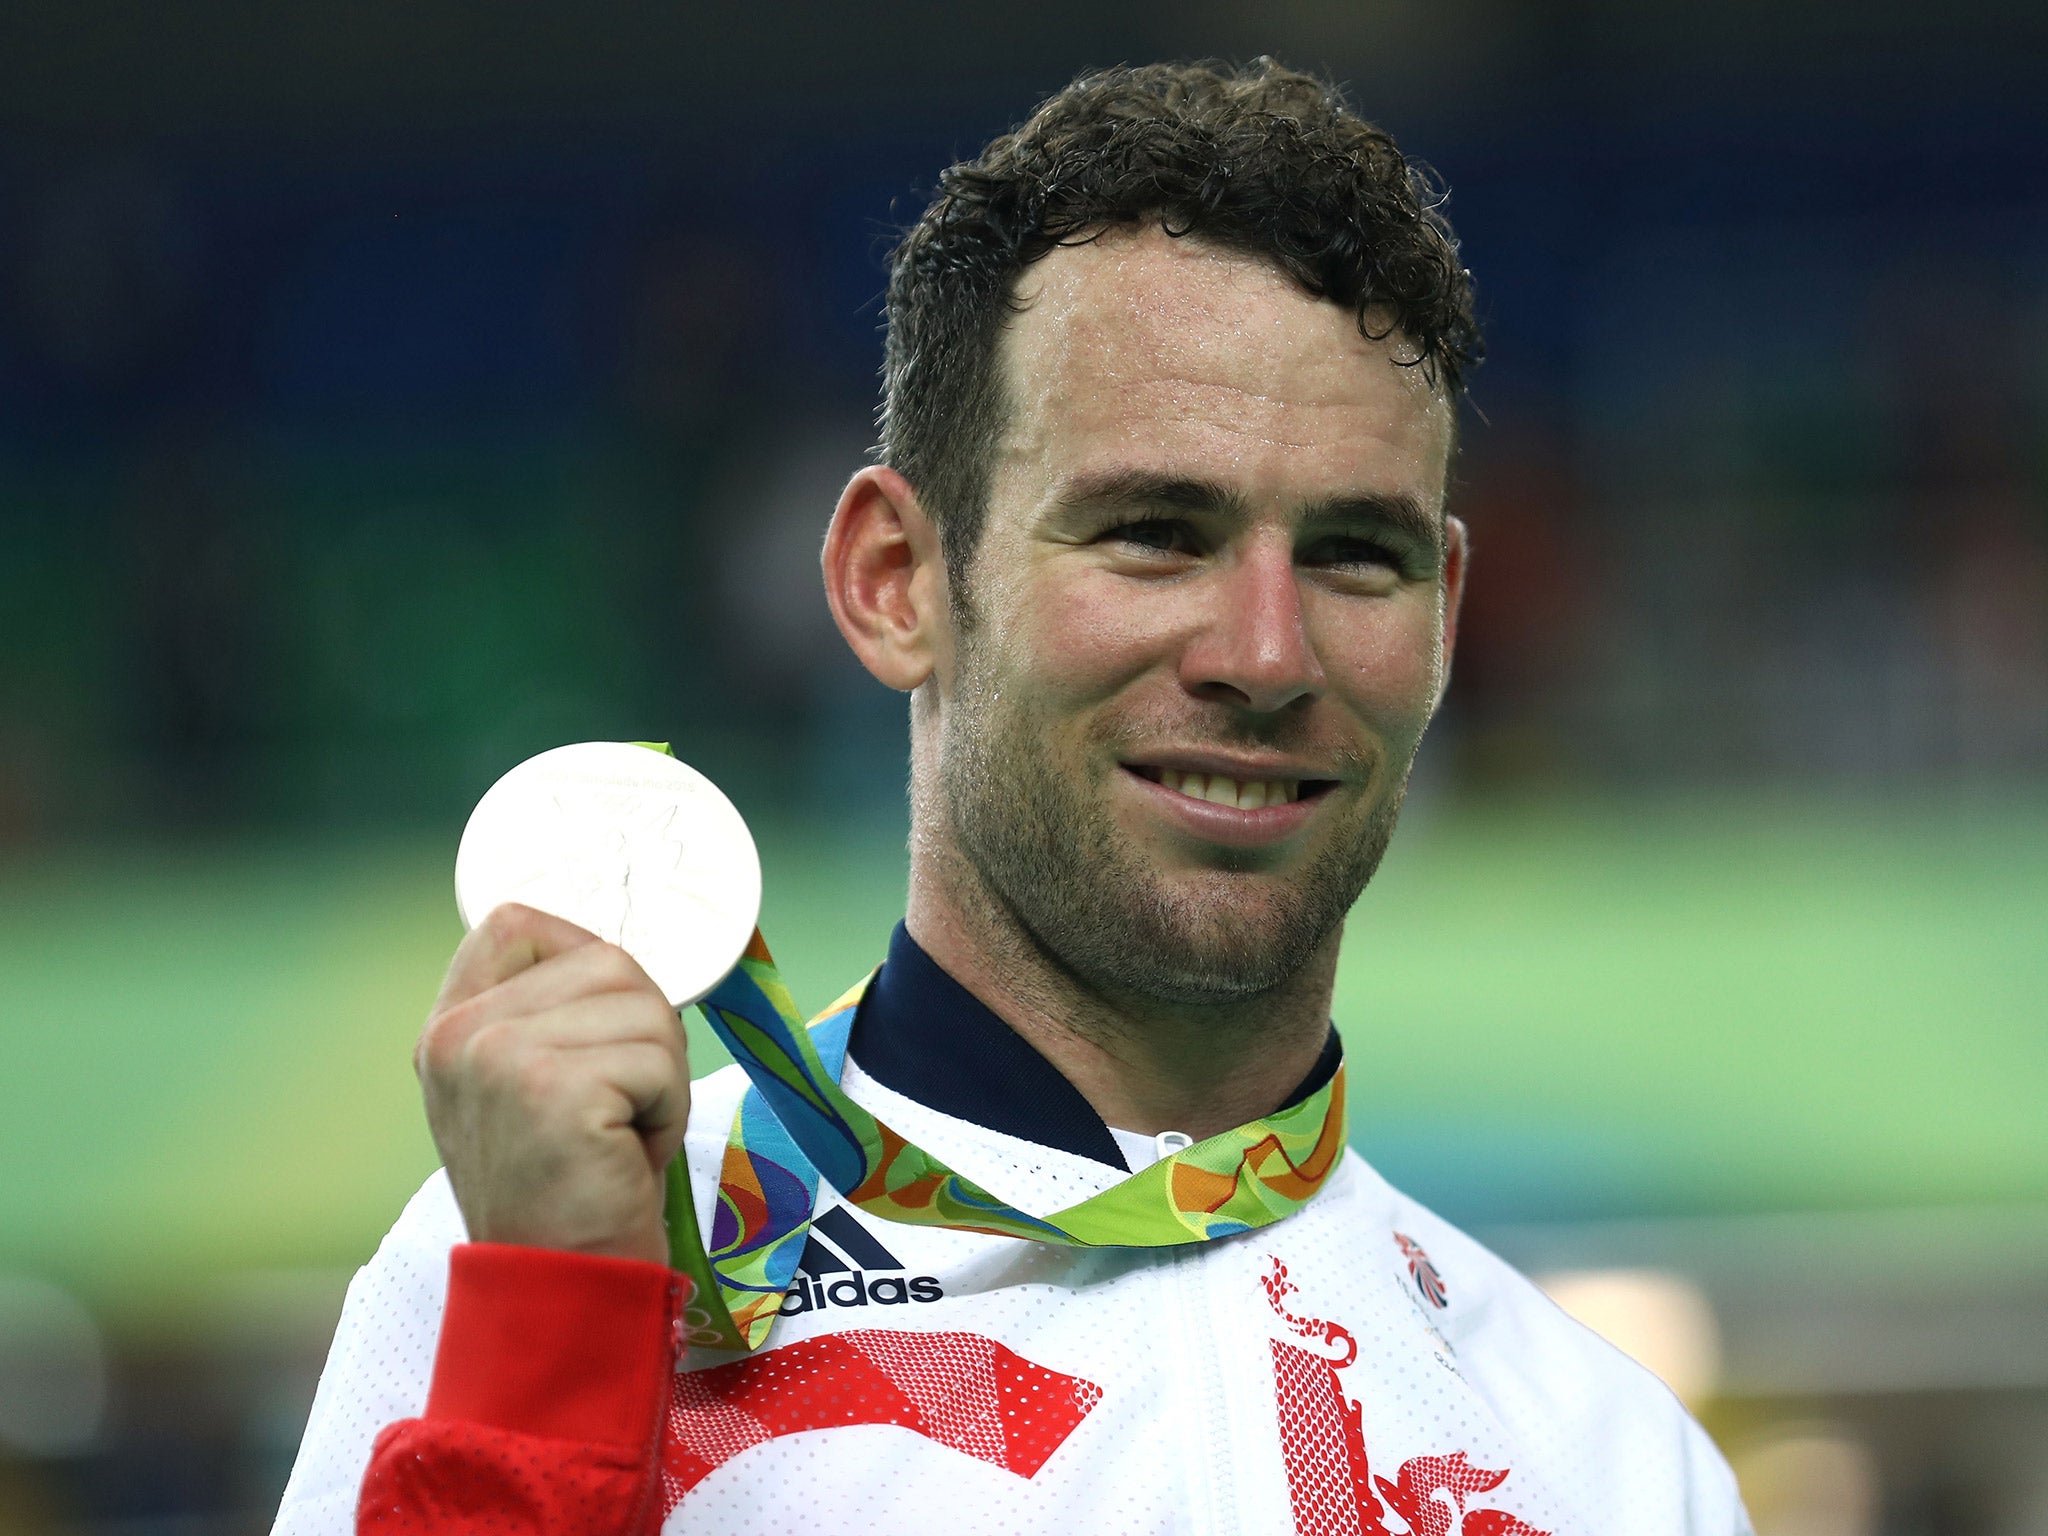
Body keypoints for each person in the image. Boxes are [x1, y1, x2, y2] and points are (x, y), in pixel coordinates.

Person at [275, 59, 1751, 1536]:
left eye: (1356, 555)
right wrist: (552, 1356)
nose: (1264, 653)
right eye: (1155, 533)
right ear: (896, 582)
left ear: (1445, 615)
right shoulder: (535, 1286)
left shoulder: (1611, 1462)